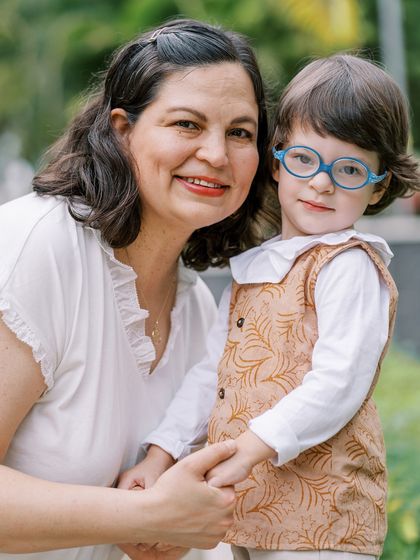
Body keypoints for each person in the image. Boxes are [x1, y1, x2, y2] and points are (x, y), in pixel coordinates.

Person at [0, 18, 279, 560]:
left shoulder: (200, 310)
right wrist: (146, 514)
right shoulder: (36, 248)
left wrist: (168, 532)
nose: (217, 155)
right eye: (187, 124)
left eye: (241, 132)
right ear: (122, 129)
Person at [121, 54, 420, 559]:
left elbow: (339, 382)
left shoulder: (348, 265)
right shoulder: (255, 269)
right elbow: (211, 377)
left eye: (348, 169)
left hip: (323, 517)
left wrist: (250, 450)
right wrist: (161, 453)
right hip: (246, 505)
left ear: (379, 186)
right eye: (305, 159)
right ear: (278, 160)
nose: (321, 182)